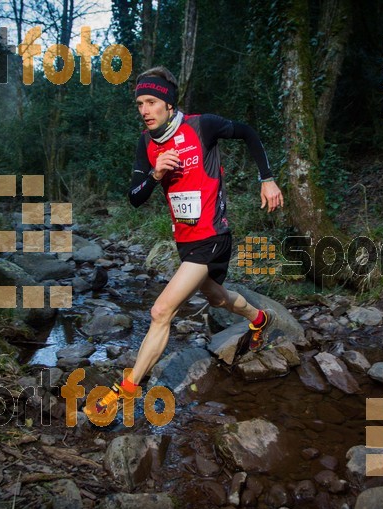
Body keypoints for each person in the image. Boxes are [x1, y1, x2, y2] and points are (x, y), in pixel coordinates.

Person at [84, 66, 284, 418]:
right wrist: (155, 174)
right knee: (216, 296)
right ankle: (260, 318)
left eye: (151, 102)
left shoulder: (200, 126)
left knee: (161, 311)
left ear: (168, 103)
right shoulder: (146, 145)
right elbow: (134, 197)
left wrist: (266, 179)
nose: (144, 110)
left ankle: (128, 389)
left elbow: (248, 132)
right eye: (139, 104)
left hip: (213, 236)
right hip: (185, 241)